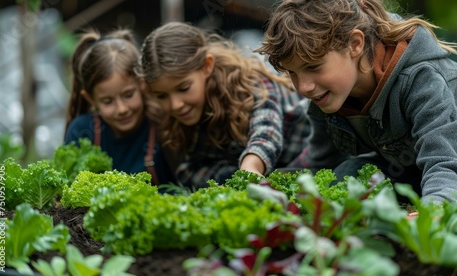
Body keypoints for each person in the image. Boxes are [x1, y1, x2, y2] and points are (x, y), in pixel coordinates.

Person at [254, 0, 457, 205]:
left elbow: (445, 161)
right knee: (347, 174)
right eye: (293, 73)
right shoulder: (328, 94)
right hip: (413, 169)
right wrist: (264, 186)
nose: (304, 87)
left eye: (313, 67)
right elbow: (318, 162)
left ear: (355, 44)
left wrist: (432, 213)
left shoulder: (420, 78)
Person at [136, 21, 311, 189]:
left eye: (183, 88)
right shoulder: (179, 118)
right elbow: (190, 170)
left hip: (308, 163)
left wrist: (250, 168)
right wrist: (233, 180)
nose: (175, 105)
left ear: (206, 66)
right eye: (161, 95)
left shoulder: (251, 82)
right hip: (265, 182)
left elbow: (266, 131)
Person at [64, 28, 176, 187]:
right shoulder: (82, 132)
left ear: (142, 84)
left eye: (128, 95)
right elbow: (71, 191)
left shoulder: (162, 127)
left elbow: (180, 189)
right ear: (91, 99)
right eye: (108, 101)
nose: (122, 109)